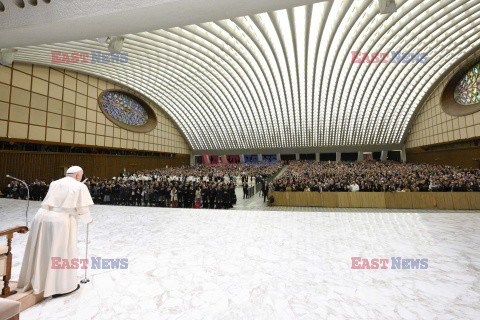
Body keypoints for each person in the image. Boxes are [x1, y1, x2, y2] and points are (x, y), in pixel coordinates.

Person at [17, 166, 93, 298]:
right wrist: (88, 220)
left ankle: (40, 281)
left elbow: (63, 193)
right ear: (78, 176)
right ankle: (60, 287)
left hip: (41, 217)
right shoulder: (80, 186)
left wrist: (78, 186)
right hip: (60, 220)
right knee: (61, 251)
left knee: (43, 250)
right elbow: (82, 208)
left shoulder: (55, 183)